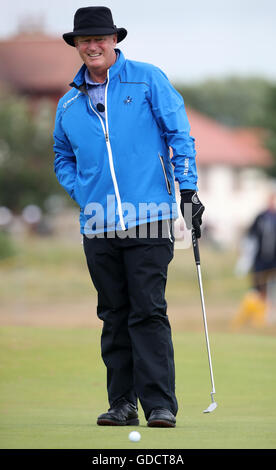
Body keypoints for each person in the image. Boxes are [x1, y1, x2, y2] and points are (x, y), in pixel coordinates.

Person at [53, 6, 204, 428]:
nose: (93, 46)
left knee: (148, 310)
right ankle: (121, 404)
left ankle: (159, 405)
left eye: (100, 38)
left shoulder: (147, 79)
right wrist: (82, 192)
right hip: (97, 223)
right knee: (113, 314)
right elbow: (61, 156)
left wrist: (188, 189)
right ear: (77, 46)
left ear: (114, 40)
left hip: (151, 216)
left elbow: (179, 135)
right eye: (85, 40)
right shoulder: (68, 104)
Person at [233, 191, 276, 327]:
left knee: (272, 289)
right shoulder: (261, 217)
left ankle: (268, 315)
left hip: (274, 260)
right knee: (258, 289)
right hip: (260, 260)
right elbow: (251, 238)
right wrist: (244, 260)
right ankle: (256, 316)